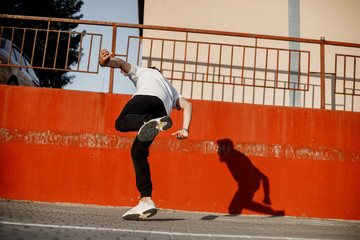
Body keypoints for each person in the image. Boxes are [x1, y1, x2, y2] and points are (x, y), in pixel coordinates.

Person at [99, 49, 193, 221]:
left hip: (145, 98)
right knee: (138, 152)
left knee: (120, 122)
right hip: (162, 111)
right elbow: (188, 105)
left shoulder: (142, 71)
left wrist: (105, 62)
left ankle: (145, 122)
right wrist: (185, 129)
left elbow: (120, 63)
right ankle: (146, 200)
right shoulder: (170, 88)